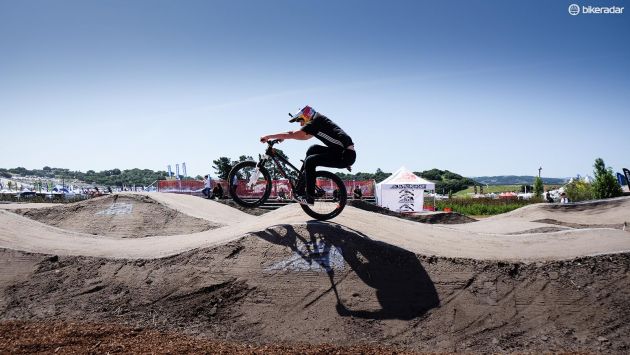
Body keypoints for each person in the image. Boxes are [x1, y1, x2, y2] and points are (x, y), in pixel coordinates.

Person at [260, 105, 356, 205]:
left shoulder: (315, 122)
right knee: (313, 149)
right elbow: (301, 136)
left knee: (310, 160)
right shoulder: (319, 121)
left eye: (300, 120)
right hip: (341, 152)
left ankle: (309, 197)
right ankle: (300, 185)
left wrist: (268, 136)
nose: (301, 124)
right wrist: (283, 137)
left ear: (306, 117)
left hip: (345, 155)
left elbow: (293, 134)